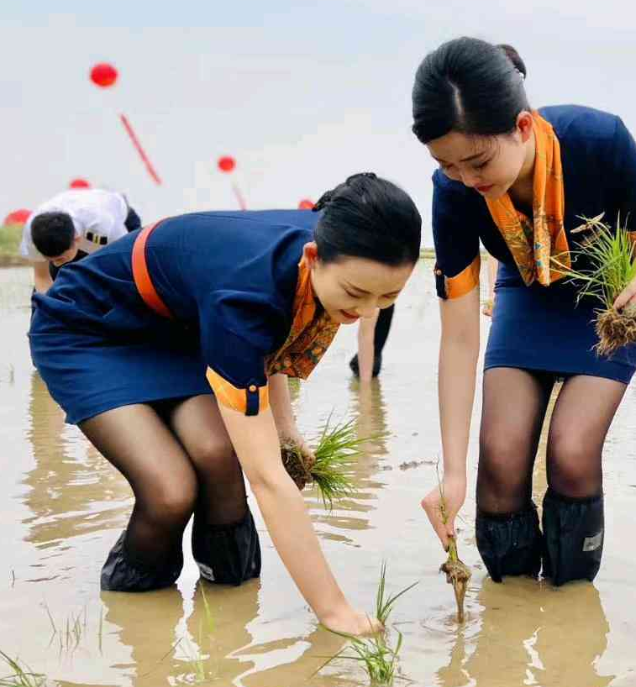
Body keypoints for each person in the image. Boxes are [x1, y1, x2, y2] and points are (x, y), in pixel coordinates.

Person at [29, 173, 421, 635]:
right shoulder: (243, 295)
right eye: (357, 294)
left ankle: (230, 618)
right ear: (313, 258)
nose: (369, 311)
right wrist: (334, 612)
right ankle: (131, 624)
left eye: (389, 297)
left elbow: (274, 331)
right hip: (88, 331)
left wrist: (286, 430)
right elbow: (268, 480)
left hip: (178, 328)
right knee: (170, 489)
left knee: (218, 455)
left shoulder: (339, 231)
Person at [411, 38, 636, 586]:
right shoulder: (453, 191)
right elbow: (458, 340)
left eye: (478, 161)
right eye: (447, 164)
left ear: (523, 127)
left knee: (572, 451)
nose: (467, 179)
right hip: (527, 293)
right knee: (500, 463)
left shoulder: (600, 140)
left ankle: (571, 597)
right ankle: (510, 611)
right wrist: (452, 472)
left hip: (611, 296)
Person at [20, 188, 142, 294]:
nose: (56, 263)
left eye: (59, 259)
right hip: (73, 230)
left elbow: (124, 264)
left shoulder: (101, 223)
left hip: (122, 219)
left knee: (122, 282)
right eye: (49, 259)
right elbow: (42, 278)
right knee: (54, 284)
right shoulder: (32, 233)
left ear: (77, 240)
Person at [349, 305, 395, 381]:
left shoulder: (381, 297)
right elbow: (366, 333)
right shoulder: (381, 298)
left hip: (369, 361)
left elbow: (366, 333)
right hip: (369, 361)